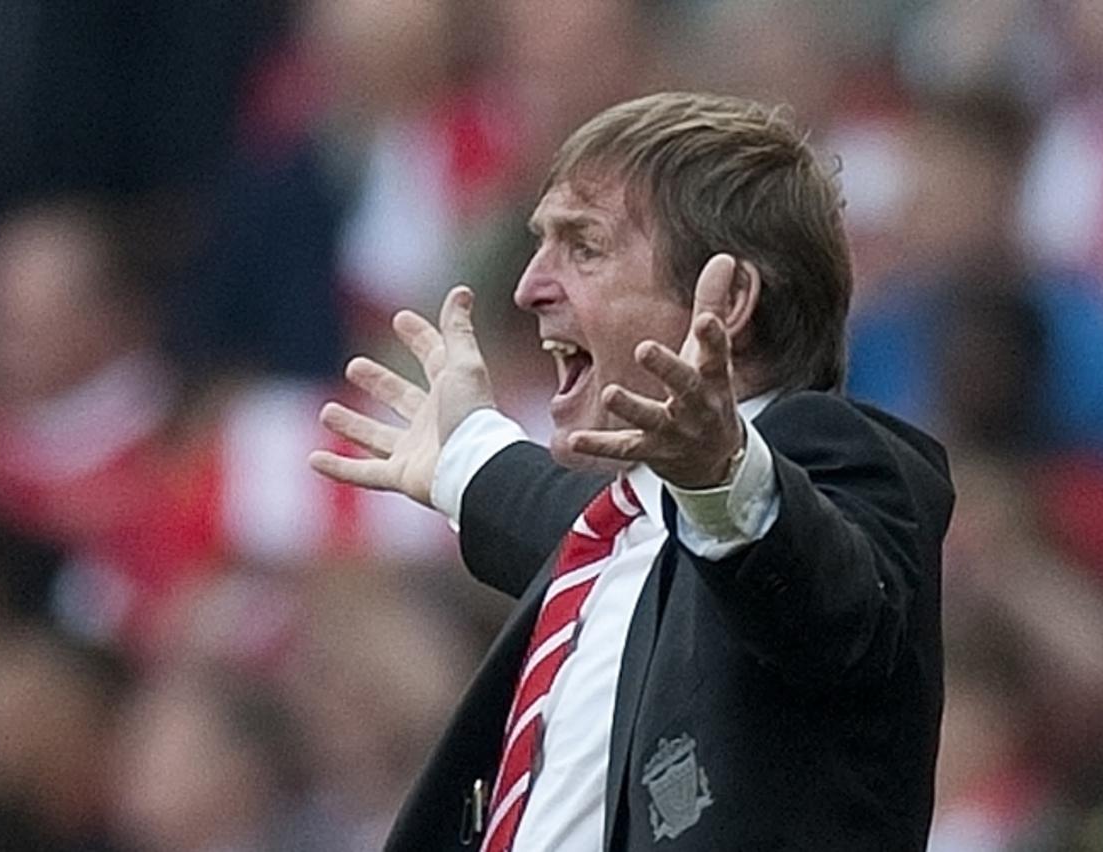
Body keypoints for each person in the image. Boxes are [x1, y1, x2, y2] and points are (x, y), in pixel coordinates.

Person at [310, 92, 955, 851]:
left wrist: (722, 475)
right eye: (541, 243)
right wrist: (464, 455)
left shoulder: (841, 464)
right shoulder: (627, 529)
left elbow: (830, 599)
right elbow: (572, 518)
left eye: (583, 246)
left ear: (729, 301)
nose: (528, 288)